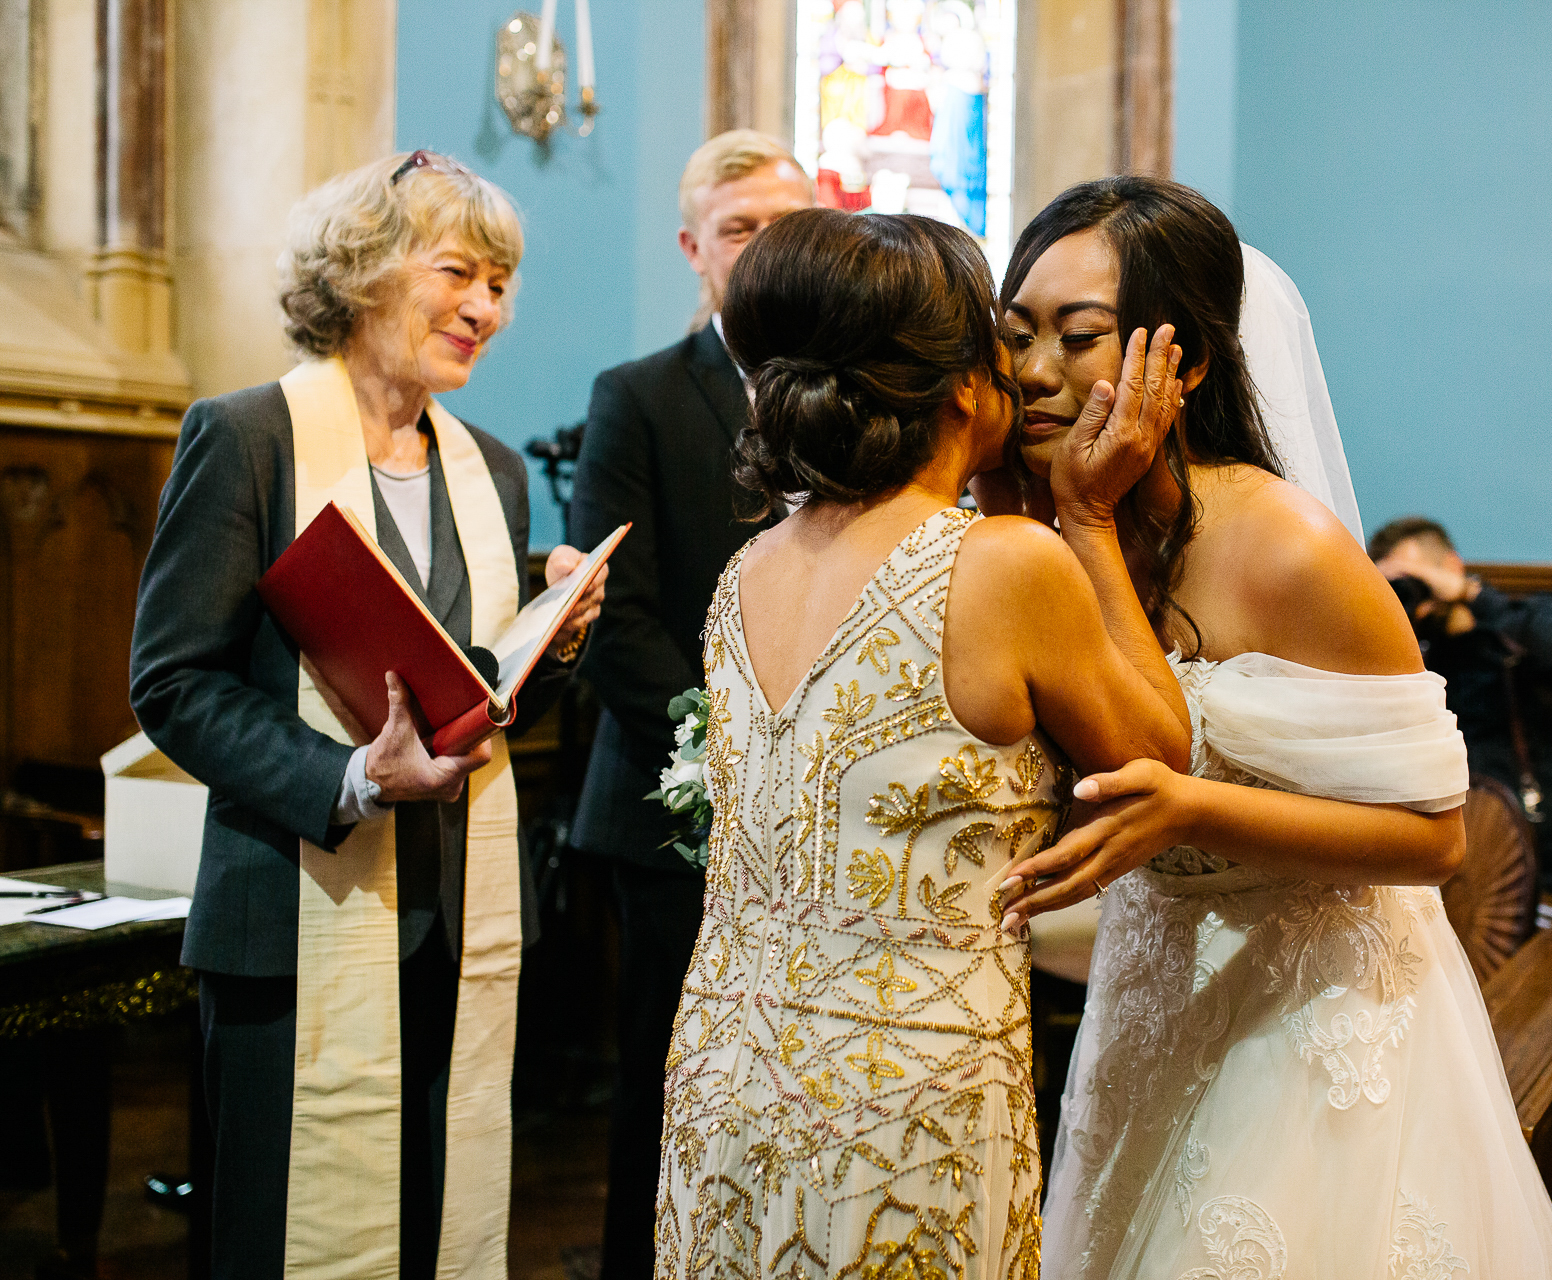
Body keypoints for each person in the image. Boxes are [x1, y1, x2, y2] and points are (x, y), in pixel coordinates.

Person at [988, 177, 1552, 1278]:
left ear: (1189, 361)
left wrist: (1193, 807)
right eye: (1017, 335)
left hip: (1314, 1024)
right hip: (1151, 997)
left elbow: (1434, 837)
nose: (1034, 371)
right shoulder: (1070, 529)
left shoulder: (1288, 548)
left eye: (1080, 337)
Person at [653, 208, 1190, 1276]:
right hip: (905, 1095)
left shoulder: (744, 571)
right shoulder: (1008, 566)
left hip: (726, 1066)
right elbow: (1157, 759)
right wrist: (1084, 519)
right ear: (962, 386)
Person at [129, 150, 605, 1280]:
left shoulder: (491, 470)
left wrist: (554, 642)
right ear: (364, 269)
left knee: (442, 1219)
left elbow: (470, 692)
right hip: (292, 919)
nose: (486, 307)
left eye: (501, 283)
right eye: (460, 272)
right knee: (283, 1234)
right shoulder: (247, 436)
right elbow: (174, 680)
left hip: (458, 911)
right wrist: (347, 778)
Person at [565, 128, 812, 1280]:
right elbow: (621, 619)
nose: (767, 251)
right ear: (693, 247)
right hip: (675, 809)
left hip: (820, 810)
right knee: (670, 1078)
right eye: (741, 229)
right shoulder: (640, 397)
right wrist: (735, 750)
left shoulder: (847, 399)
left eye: (789, 226)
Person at [1370, 516, 1552, 908]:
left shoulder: (1525, 621)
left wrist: (1470, 594)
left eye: (1416, 573)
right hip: (1476, 870)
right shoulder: (1417, 663)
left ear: (1452, 565)